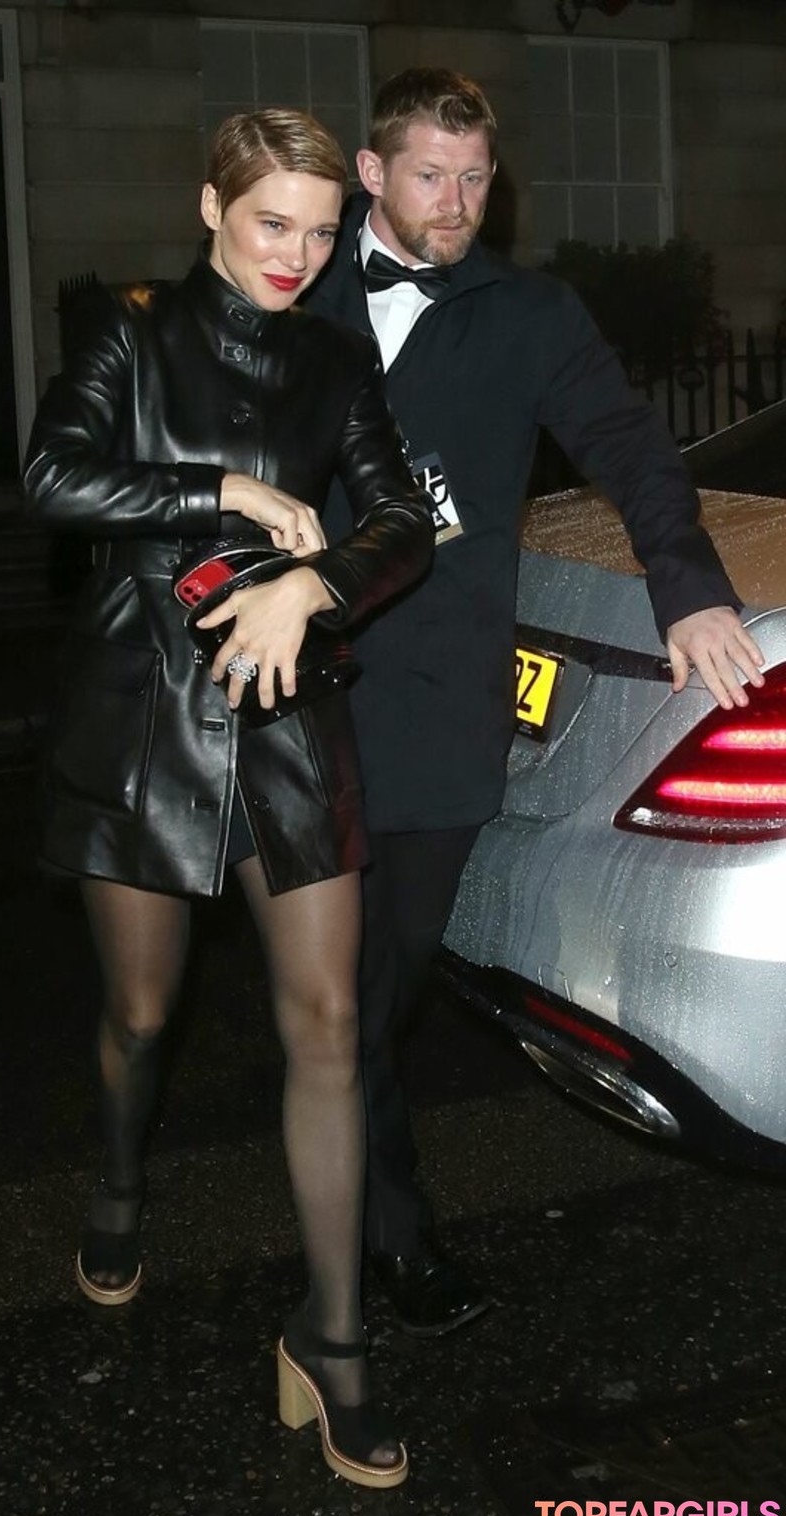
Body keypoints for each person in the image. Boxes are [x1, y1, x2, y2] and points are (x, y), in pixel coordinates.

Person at [306, 67, 766, 1341]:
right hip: (295, 698)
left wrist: (689, 591)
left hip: (439, 703)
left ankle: (350, 1194)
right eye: (430, 176)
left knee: (382, 985)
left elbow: (634, 451)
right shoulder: (292, 281)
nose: (457, 204)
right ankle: (385, 1233)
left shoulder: (530, 314)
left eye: (476, 179)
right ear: (370, 173)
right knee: (328, 994)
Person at [23, 109, 437, 1489]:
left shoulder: (337, 356)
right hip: (143, 713)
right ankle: (119, 1177)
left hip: (288, 707)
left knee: (328, 1023)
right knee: (142, 1013)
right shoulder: (126, 329)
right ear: (212, 206)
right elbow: (52, 477)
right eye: (272, 223)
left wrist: (319, 581)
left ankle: (334, 1340)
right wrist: (229, 491)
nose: (297, 256)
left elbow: (402, 518)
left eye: (320, 233)